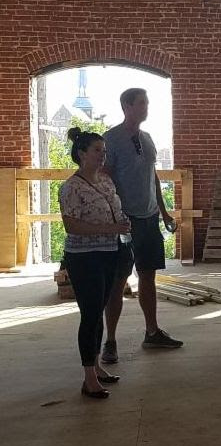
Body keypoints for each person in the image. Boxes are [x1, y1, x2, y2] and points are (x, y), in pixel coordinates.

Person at [101, 88, 182, 362]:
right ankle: (110, 341)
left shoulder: (147, 138)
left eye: (147, 103)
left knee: (148, 275)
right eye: (141, 103)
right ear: (126, 106)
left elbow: (153, 176)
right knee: (118, 280)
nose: (146, 107)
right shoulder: (111, 139)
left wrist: (164, 212)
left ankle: (152, 331)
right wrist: (114, 217)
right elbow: (105, 179)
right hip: (125, 222)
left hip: (149, 219)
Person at [59, 128, 131, 399]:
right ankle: (89, 378)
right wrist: (111, 227)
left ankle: (97, 366)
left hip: (110, 250)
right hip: (84, 256)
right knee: (90, 314)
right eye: (97, 151)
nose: (102, 156)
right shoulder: (71, 187)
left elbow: (115, 210)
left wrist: (122, 224)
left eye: (104, 151)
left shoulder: (106, 182)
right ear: (82, 154)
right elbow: (71, 225)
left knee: (99, 309)